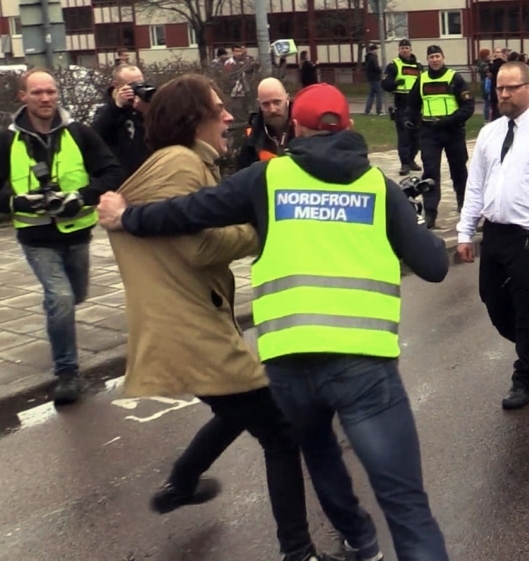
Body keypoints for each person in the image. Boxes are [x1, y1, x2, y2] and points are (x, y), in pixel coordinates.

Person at [97, 82, 452, 559]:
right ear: (349, 126)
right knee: (405, 504)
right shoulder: (377, 186)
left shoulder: (267, 179)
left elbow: (188, 213)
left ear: (296, 127)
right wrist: (408, 222)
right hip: (363, 366)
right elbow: (434, 266)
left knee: (317, 450)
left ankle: (362, 544)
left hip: (290, 364)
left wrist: (128, 218)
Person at [0, 69, 123, 404]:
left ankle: (57, 312)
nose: (45, 99)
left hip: (77, 233)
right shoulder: (8, 141)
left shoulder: (79, 133)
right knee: (62, 297)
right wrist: (15, 202)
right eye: (37, 93)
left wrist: (81, 197)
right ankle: (67, 373)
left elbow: (112, 171)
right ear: (22, 96)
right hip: (35, 237)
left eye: (50, 92)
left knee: (74, 295)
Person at [456, 61, 529, 410]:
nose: (504, 94)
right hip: (495, 233)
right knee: (493, 299)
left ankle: (527, 376)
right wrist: (465, 231)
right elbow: (475, 185)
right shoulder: (490, 133)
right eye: (499, 88)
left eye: (511, 88)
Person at [404, 44, 475, 230]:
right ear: (427, 60)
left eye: (437, 56)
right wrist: (410, 120)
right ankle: (430, 213)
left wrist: (449, 120)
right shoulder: (421, 79)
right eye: (431, 57)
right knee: (430, 173)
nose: (435, 60)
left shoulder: (454, 78)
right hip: (429, 132)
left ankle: (464, 206)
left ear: (443, 57)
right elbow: (412, 104)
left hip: (453, 130)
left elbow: (468, 107)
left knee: (459, 170)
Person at [91, 64, 151, 179]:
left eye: (141, 84)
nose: (137, 89)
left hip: (146, 174)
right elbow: (96, 135)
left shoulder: (145, 108)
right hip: (121, 177)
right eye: (132, 85)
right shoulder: (106, 111)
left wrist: (146, 112)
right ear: (116, 85)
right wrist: (117, 107)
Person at [382, 38, 423, 175]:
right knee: (404, 135)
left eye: (407, 48)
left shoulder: (418, 66)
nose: (404, 50)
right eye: (402, 48)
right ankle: (404, 163)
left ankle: (411, 160)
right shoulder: (393, 65)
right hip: (401, 103)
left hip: (416, 104)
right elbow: (385, 85)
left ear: (411, 49)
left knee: (416, 135)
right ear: (399, 50)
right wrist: (395, 84)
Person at [237, 77, 295, 170]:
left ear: (287, 98)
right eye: (266, 104)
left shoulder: (305, 127)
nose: (272, 109)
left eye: (277, 102)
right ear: (259, 104)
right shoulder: (252, 139)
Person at [363, 43, 384, 115]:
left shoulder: (368, 57)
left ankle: (367, 110)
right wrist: (381, 71)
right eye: (376, 49)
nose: (377, 51)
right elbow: (376, 68)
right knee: (379, 94)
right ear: (373, 50)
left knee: (371, 94)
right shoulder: (373, 58)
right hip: (375, 78)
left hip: (370, 78)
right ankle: (379, 110)